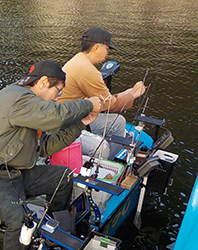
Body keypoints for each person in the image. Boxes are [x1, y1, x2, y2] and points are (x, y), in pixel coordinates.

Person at [0, 60, 101, 250]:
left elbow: (44, 148)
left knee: (62, 177)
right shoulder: (17, 97)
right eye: (58, 90)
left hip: (15, 174)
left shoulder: (31, 108)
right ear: (44, 82)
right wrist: (88, 104)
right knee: (18, 218)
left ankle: (52, 234)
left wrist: (80, 124)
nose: (58, 97)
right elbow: (56, 117)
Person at [58, 28, 146, 158]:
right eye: (107, 48)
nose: (107, 54)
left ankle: (112, 159)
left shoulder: (77, 60)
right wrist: (132, 95)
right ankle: (106, 163)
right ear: (97, 47)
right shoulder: (87, 70)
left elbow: (104, 100)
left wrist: (127, 93)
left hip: (72, 114)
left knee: (119, 122)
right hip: (67, 123)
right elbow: (108, 105)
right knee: (103, 145)